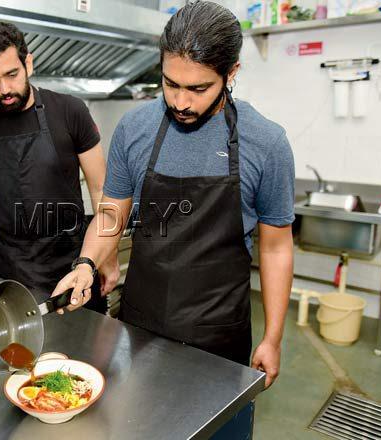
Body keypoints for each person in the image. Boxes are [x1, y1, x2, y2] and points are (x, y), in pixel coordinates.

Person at [52, 1, 295, 388]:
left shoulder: (266, 142)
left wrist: (274, 337)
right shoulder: (134, 128)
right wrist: (85, 264)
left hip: (218, 335)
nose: (181, 102)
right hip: (140, 325)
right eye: (170, 84)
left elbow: (276, 248)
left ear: (231, 73)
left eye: (198, 88)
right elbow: (111, 214)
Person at [0, 21, 119, 311]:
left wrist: (107, 257)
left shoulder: (71, 111)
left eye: (11, 74)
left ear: (28, 63)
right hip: (9, 274)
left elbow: (101, 190)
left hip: (73, 267)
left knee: (83, 351)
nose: (4, 88)